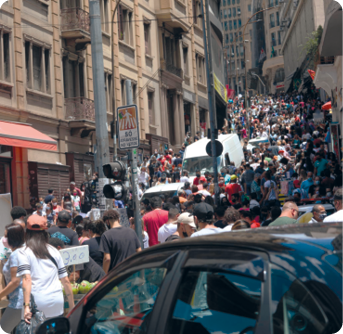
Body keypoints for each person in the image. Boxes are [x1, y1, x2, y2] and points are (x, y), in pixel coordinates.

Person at [17, 215, 74, 322]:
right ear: (45, 233)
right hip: (56, 302)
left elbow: (27, 279)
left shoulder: (23, 252)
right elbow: (65, 281)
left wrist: (26, 306)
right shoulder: (54, 251)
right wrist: (71, 305)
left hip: (37, 304)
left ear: (27, 233)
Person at [99, 210, 141, 274]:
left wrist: (104, 275)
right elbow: (139, 251)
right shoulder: (131, 232)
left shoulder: (106, 235)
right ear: (119, 220)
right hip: (132, 273)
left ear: (107, 222)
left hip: (116, 275)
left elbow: (107, 259)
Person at [0, 223, 24, 333]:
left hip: (17, 302)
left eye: (6, 236)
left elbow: (15, 281)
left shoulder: (15, 255)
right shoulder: (25, 251)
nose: (3, 239)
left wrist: (1, 295)